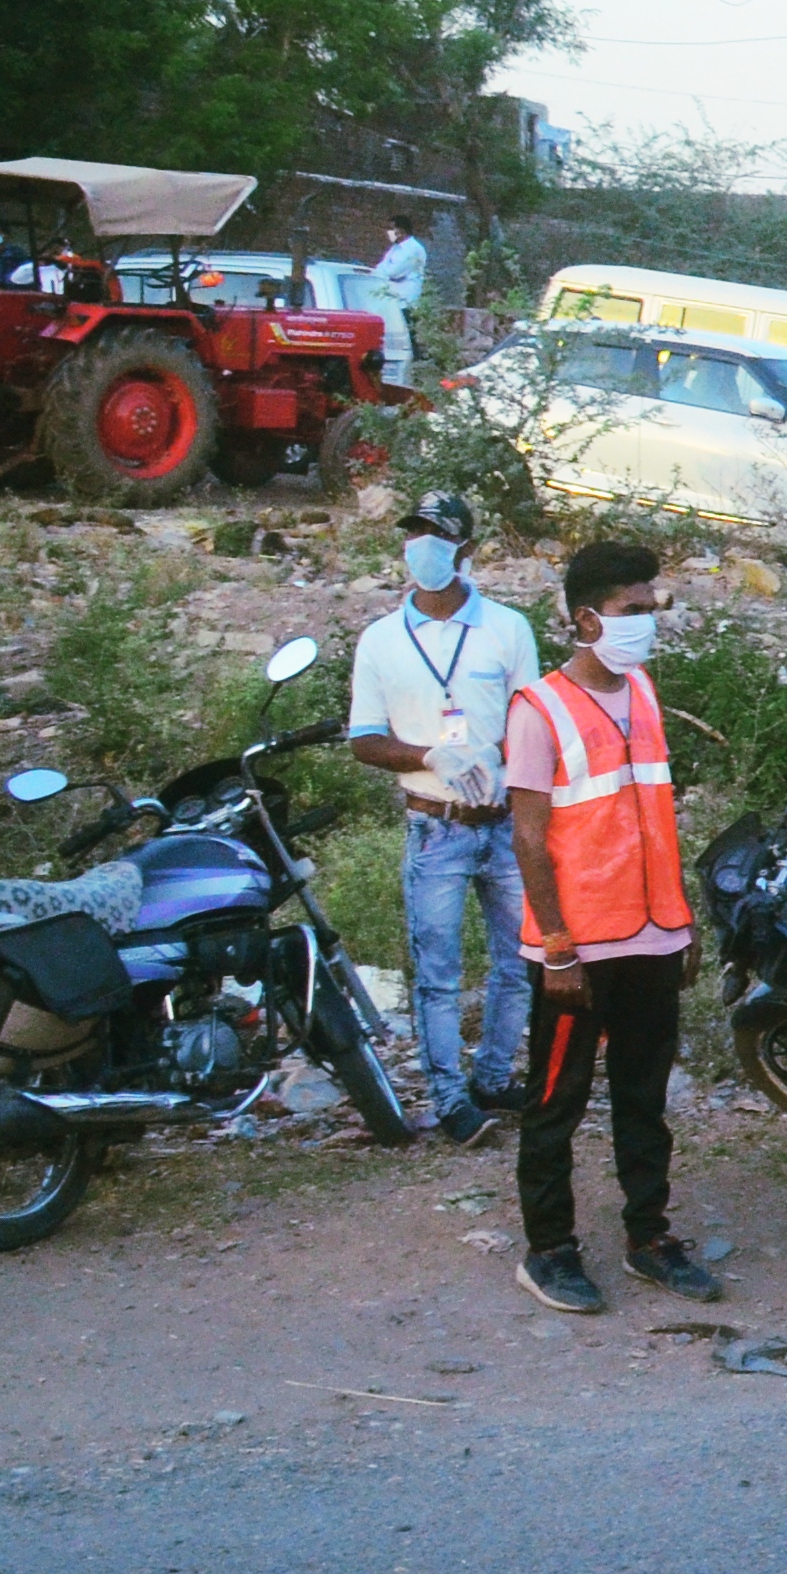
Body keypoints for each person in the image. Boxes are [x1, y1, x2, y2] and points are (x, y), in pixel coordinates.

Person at [501, 539, 722, 1316]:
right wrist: (557, 945)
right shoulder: (540, 710)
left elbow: (655, 821)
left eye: (652, 608)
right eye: (634, 611)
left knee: (643, 1096)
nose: (648, 623)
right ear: (587, 618)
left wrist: (681, 925)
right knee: (555, 1103)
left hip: (652, 937)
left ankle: (648, 1238)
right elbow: (529, 838)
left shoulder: (646, 694)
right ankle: (550, 1251)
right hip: (578, 950)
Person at [344, 488, 544, 1146]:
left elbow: (532, 719)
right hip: (435, 823)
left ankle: (491, 1074)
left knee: (517, 961)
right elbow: (365, 738)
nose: (422, 544)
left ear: (467, 548)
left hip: (502, 818)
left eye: (437, 533)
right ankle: (449, 1095)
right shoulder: (380, 640)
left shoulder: (506, 629)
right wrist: (429, 753)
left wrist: (502, 759)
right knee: (438, 971)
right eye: (415, 531)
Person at [363, 213, 431, 389]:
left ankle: (417, 376)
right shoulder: (395, 249)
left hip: (406, 301)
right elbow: (380, 269)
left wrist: (382, 274)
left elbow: (394, 272)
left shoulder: (413, 249)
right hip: (392, 301)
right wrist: (381, 274)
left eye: (392, 229)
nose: (389, 233)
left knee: (408, 339)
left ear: (400, 230)